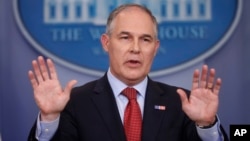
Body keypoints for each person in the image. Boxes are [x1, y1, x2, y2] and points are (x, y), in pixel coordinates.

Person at [28, 3, 228, 141]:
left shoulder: (182, 103)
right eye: (125, 37)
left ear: (155, 48)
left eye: (145, 39)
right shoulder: (75, 102)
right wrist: (49, 118)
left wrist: (206, 126)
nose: (135, 48)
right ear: (106, 43)